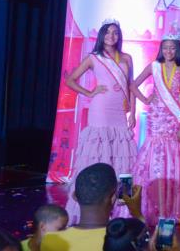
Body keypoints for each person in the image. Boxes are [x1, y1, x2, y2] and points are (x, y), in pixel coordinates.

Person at [63, 19, 136, 224]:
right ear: (101, 36)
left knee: (123, 155)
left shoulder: (127, 58)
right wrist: (89, 92)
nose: (111, 36)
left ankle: (122, 208)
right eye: (107, 32)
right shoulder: (94, 58)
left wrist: (132, 111)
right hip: (101, 107)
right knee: (100, 152)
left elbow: (131, 86)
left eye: (115, 33)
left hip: (120, 110)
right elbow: (70, 80)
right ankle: (93, 200)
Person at [130, 35, 180, 226]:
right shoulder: (154, 66)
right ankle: (155, 206)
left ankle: (173, 207)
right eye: (165, 48)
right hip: (157, 116)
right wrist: (146, 100)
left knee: (175, 156)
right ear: (161, 49)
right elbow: (133, 84)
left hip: (176, 116)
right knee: (156, 155)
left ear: (177, 49)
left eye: (172, 48)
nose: (169, 52)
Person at [41, 163, 142, 251]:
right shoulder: (121, 242)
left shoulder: (49, 241)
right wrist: (137, 213)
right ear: (112, 198)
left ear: (75, 196)